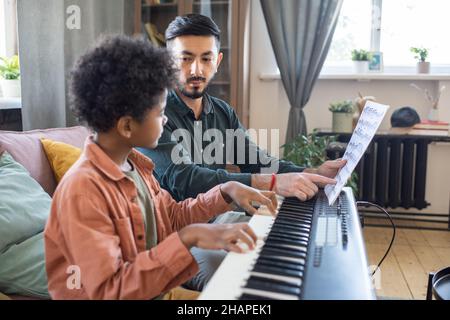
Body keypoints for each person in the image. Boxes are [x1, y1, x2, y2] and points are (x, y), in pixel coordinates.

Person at [44, 35, 277, 300]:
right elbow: (110, 291)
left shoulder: (137, 167)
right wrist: (188, 238)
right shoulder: (83, 192)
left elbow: (172, 217)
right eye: (160, 112)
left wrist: (225, 190)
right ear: (127, 126)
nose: (165, 119)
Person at [137, 14, 344, 290]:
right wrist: (268, 183)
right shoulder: (153, 115)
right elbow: (184, 179)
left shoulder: (222, 112)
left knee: (282, 245)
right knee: (230, 276)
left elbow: (256, 161)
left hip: (219, 218)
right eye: (185, 58)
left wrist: (311, 172)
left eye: (206, 58)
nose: (196, 69)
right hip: (173, 235)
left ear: (218, 61)